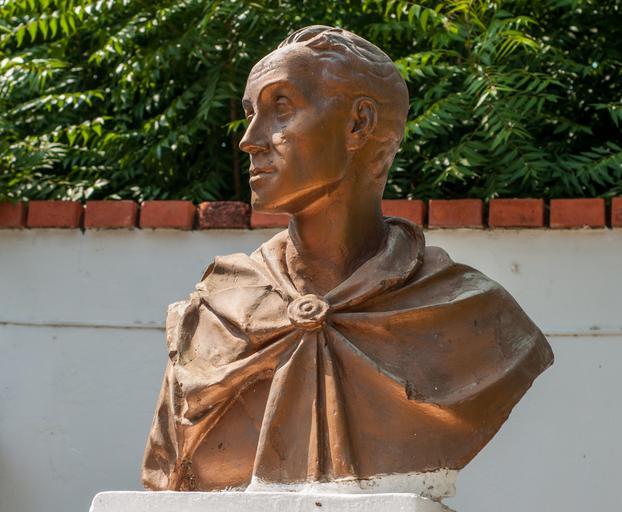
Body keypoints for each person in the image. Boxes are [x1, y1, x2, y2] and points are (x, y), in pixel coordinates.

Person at [142, 26, 553, 496]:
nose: (249, 140)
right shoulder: (214, 315)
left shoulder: (474, 319)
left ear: (359, 123)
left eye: (281, 108)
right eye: (251, 114)